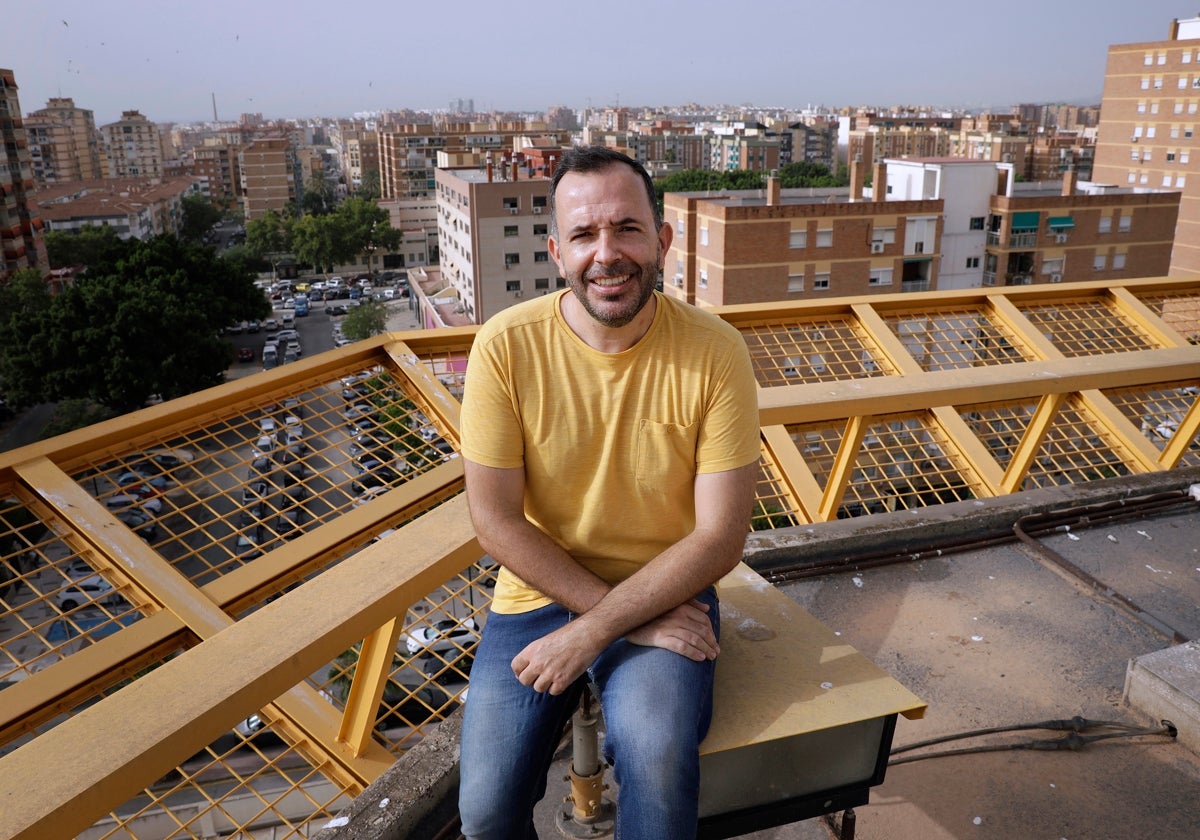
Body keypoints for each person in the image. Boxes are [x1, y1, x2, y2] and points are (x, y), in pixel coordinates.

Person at [457, 146, 760, 838]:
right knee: (485, 808)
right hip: (538, 595)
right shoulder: (506, 346)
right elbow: (495, 522)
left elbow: (720, 535)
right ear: (557, 251)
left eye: (626, 228)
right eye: (586, 235)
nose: (607, 254)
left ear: (663, 240)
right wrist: (617, 619)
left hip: (667, 588)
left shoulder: (716, 351)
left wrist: (602, 627)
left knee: (656, 763)